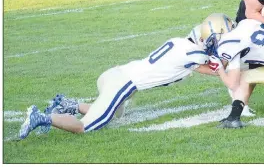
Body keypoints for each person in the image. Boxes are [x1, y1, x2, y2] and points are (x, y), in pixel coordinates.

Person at [19, 30, 217, 140]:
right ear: (204, 38)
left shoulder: (179, 42)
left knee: (116, 114)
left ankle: (69, 105)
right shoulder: (194, 54)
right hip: (122, 84)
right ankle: (41, 117)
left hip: (116, 74)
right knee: (85, 127)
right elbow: (216, 71)